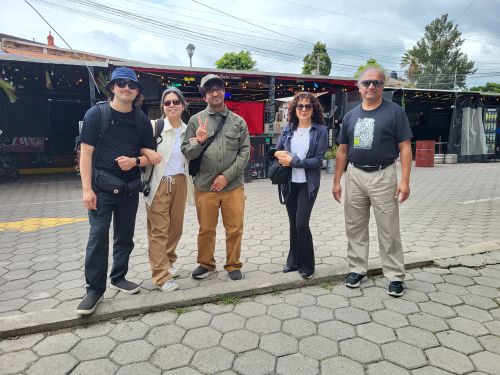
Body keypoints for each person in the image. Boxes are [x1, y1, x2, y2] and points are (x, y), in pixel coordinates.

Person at [77, 67, 156, 315]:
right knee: (98, 236)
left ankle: (118, 277)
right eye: (121, 83)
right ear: (112, 87)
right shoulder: (96, 114)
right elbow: (86, 153)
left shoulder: (141, 119)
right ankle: (94, 289)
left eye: (132, 85)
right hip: (100, 190)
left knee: (125, 237)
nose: (126, 88)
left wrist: (135, 161)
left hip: (129, 189)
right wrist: (87, 189)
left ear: (137, 91)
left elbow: (150, 155)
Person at [332, 67, 413, 297]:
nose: (371, 87)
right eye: (366, 83)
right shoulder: (351, 115)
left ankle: (395, 275)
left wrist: (405, 181)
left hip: (383, 175)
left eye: (376, 83)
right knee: (355, 226)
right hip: (355, 175)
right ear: (358, 87)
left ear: (382, 87)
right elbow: (342, 150)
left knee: (388, 228)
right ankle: (357, 269)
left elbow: (405, 148)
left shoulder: (395, 113)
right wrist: (337, 180)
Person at [181, 74, 250, 281]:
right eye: (209, 90)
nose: (215, 92)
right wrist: (200, 142)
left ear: (223, 91)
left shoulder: (238, 121)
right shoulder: (195, 121)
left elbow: (244, 152)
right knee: (206, 229)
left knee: (235, 228)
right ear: (205, 97)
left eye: (218, 88)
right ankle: (206, 263)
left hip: (233, 186)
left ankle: (233, 264)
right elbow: (187, 152)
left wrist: (226, 177)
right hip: (204, 186)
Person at [143, 87, 195, 292]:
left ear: (183, 105)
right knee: (159, 232)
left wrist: (199, 142)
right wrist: (148, 151)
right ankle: (161, 276)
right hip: (159, 182)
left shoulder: (188, 130)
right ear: (162, 107)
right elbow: (137, 145)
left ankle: (169, 262)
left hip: (180, 182)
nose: (171, 105)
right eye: (167, 102)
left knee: (176, 228)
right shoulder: (154, 127)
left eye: (175, 102)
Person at [273, 92, 328, 279]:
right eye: (300, 106)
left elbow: (318, 160)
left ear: (314, 109)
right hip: (289, 183)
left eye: (308, 106)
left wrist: (294, 161)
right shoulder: (289, 128)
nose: (303, 109)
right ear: (294, 109)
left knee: (301, 223)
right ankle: (293, 260)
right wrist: (280, 156)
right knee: (292, 224)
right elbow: (278, 150)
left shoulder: (320, 130)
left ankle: (308, 264)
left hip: (308, 184)